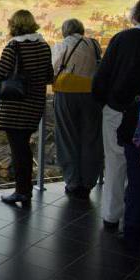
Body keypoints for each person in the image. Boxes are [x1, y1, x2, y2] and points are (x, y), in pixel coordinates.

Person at [0, 10, 53, 207]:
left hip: (16, 106)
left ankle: (22, 192)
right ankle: (24, 190)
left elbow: (0, 71)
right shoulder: (43, 45)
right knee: (24, 148)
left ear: (14, 25)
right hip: (35, 104)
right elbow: (49, 75)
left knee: (18, 151)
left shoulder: (14, 47)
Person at [93, 0, 140, 239]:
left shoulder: (122, 39)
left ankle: (112, 216)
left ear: (135, 16)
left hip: (118, 110)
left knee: (115, 163)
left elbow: (103, 75)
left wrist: (105, 102)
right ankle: (136, 218)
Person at [51, 19, 103, 199]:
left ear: (65, 31)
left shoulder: (60, 46)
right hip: (91, 95)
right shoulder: (94, 44)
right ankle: (89, 182)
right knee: (91, 137)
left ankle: (73, 182)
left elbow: (52, 69)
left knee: (67, 137)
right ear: (81, 30)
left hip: (66, 94)